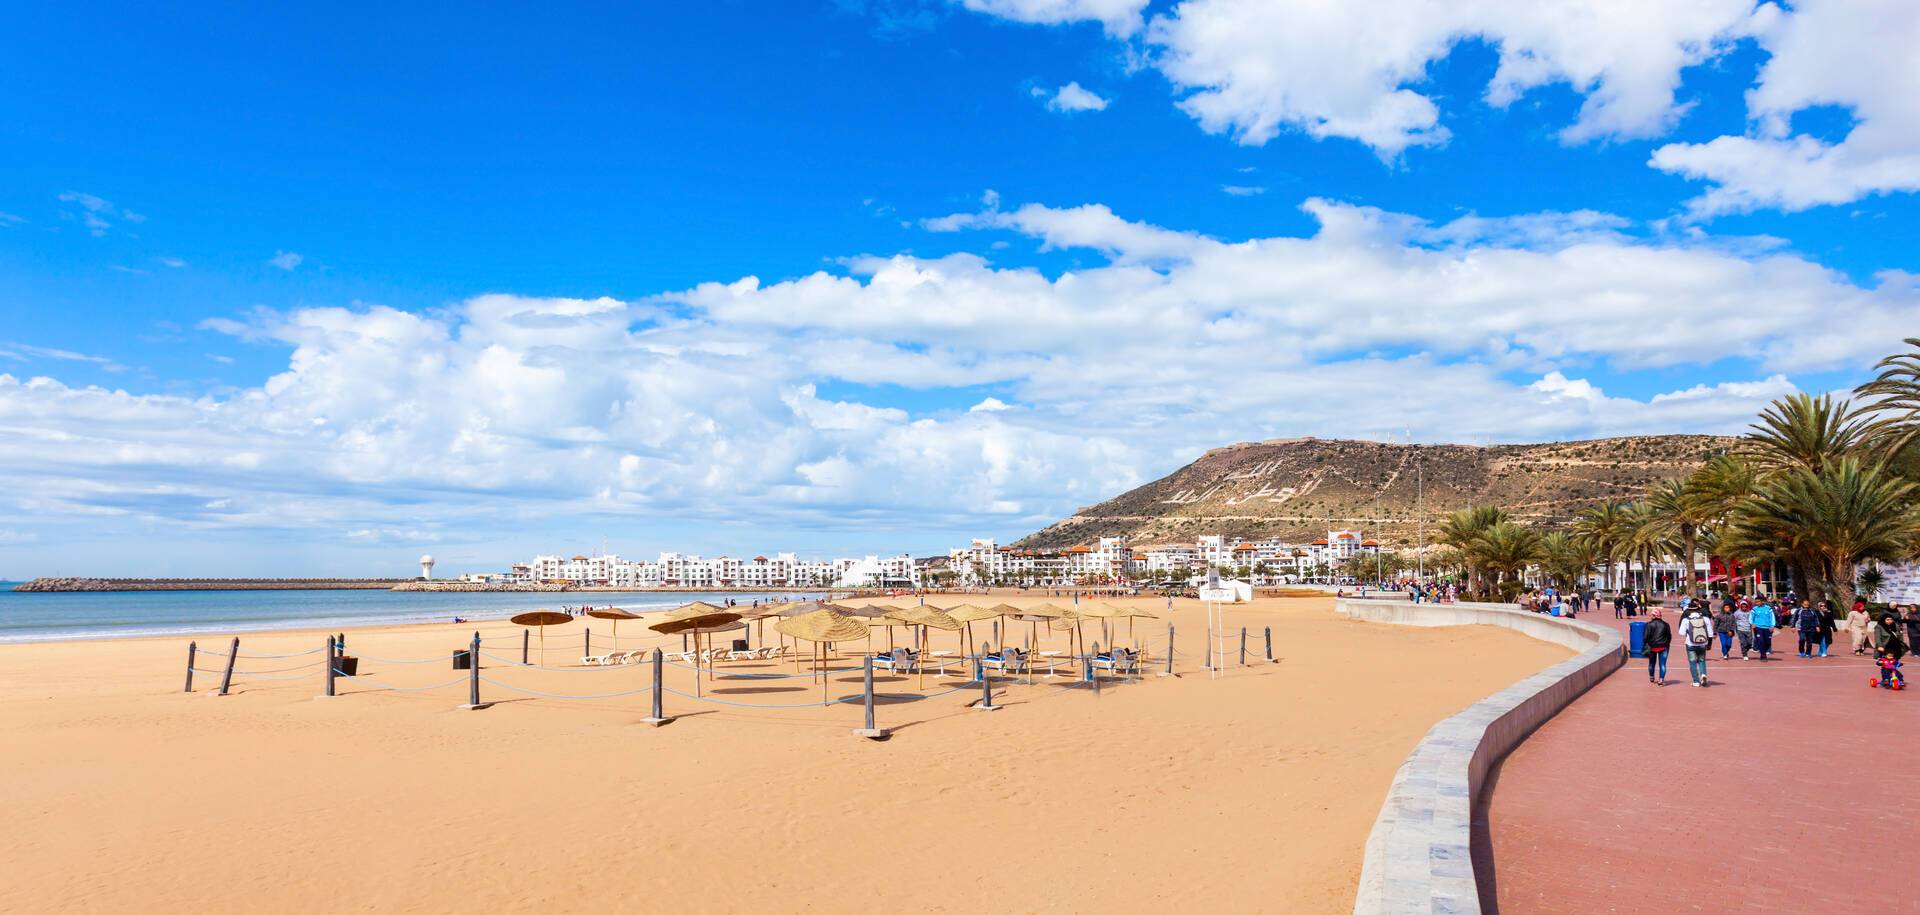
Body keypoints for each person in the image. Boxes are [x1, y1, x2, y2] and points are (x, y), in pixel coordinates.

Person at [1677, 603, 1715, 687]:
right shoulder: (1705, 619)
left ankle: (1696, 681)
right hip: (1702, 643)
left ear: (1689, 610)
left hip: (1690, 643)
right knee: (1702, 660)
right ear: (1698, 609)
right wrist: (1709, 643)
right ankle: (1703, 674)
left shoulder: (1686, 620)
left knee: (1692, 662)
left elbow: (1681, 632)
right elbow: (1710, 633)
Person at [1643, 608, 1672, 685]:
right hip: (1664, 646)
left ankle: (1651, 677)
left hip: (1652, 646)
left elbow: (1645, 637)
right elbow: (1669, 636)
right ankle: (1661, 679)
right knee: (1662, 664)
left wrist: (1646, 644)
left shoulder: (1649, 624)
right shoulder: (1666, 624)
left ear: (1653, 616)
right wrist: (1667, 643)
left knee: (1651, 663)